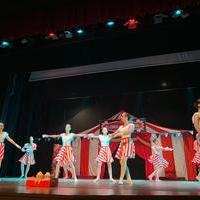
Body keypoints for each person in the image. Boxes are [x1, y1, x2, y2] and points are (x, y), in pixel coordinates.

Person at [110, 112, 136, 185]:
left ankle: (121, 179)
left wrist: (118, 134)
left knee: (124, 160)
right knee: (122, 162)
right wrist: (109, 135)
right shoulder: (120, 127)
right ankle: (128, 177)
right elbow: (115, 133)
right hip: (122, 143)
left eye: (122, 116)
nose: (121, 117)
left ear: (126, 117)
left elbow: (127, 132)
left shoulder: (131, 125)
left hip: (128, 142)